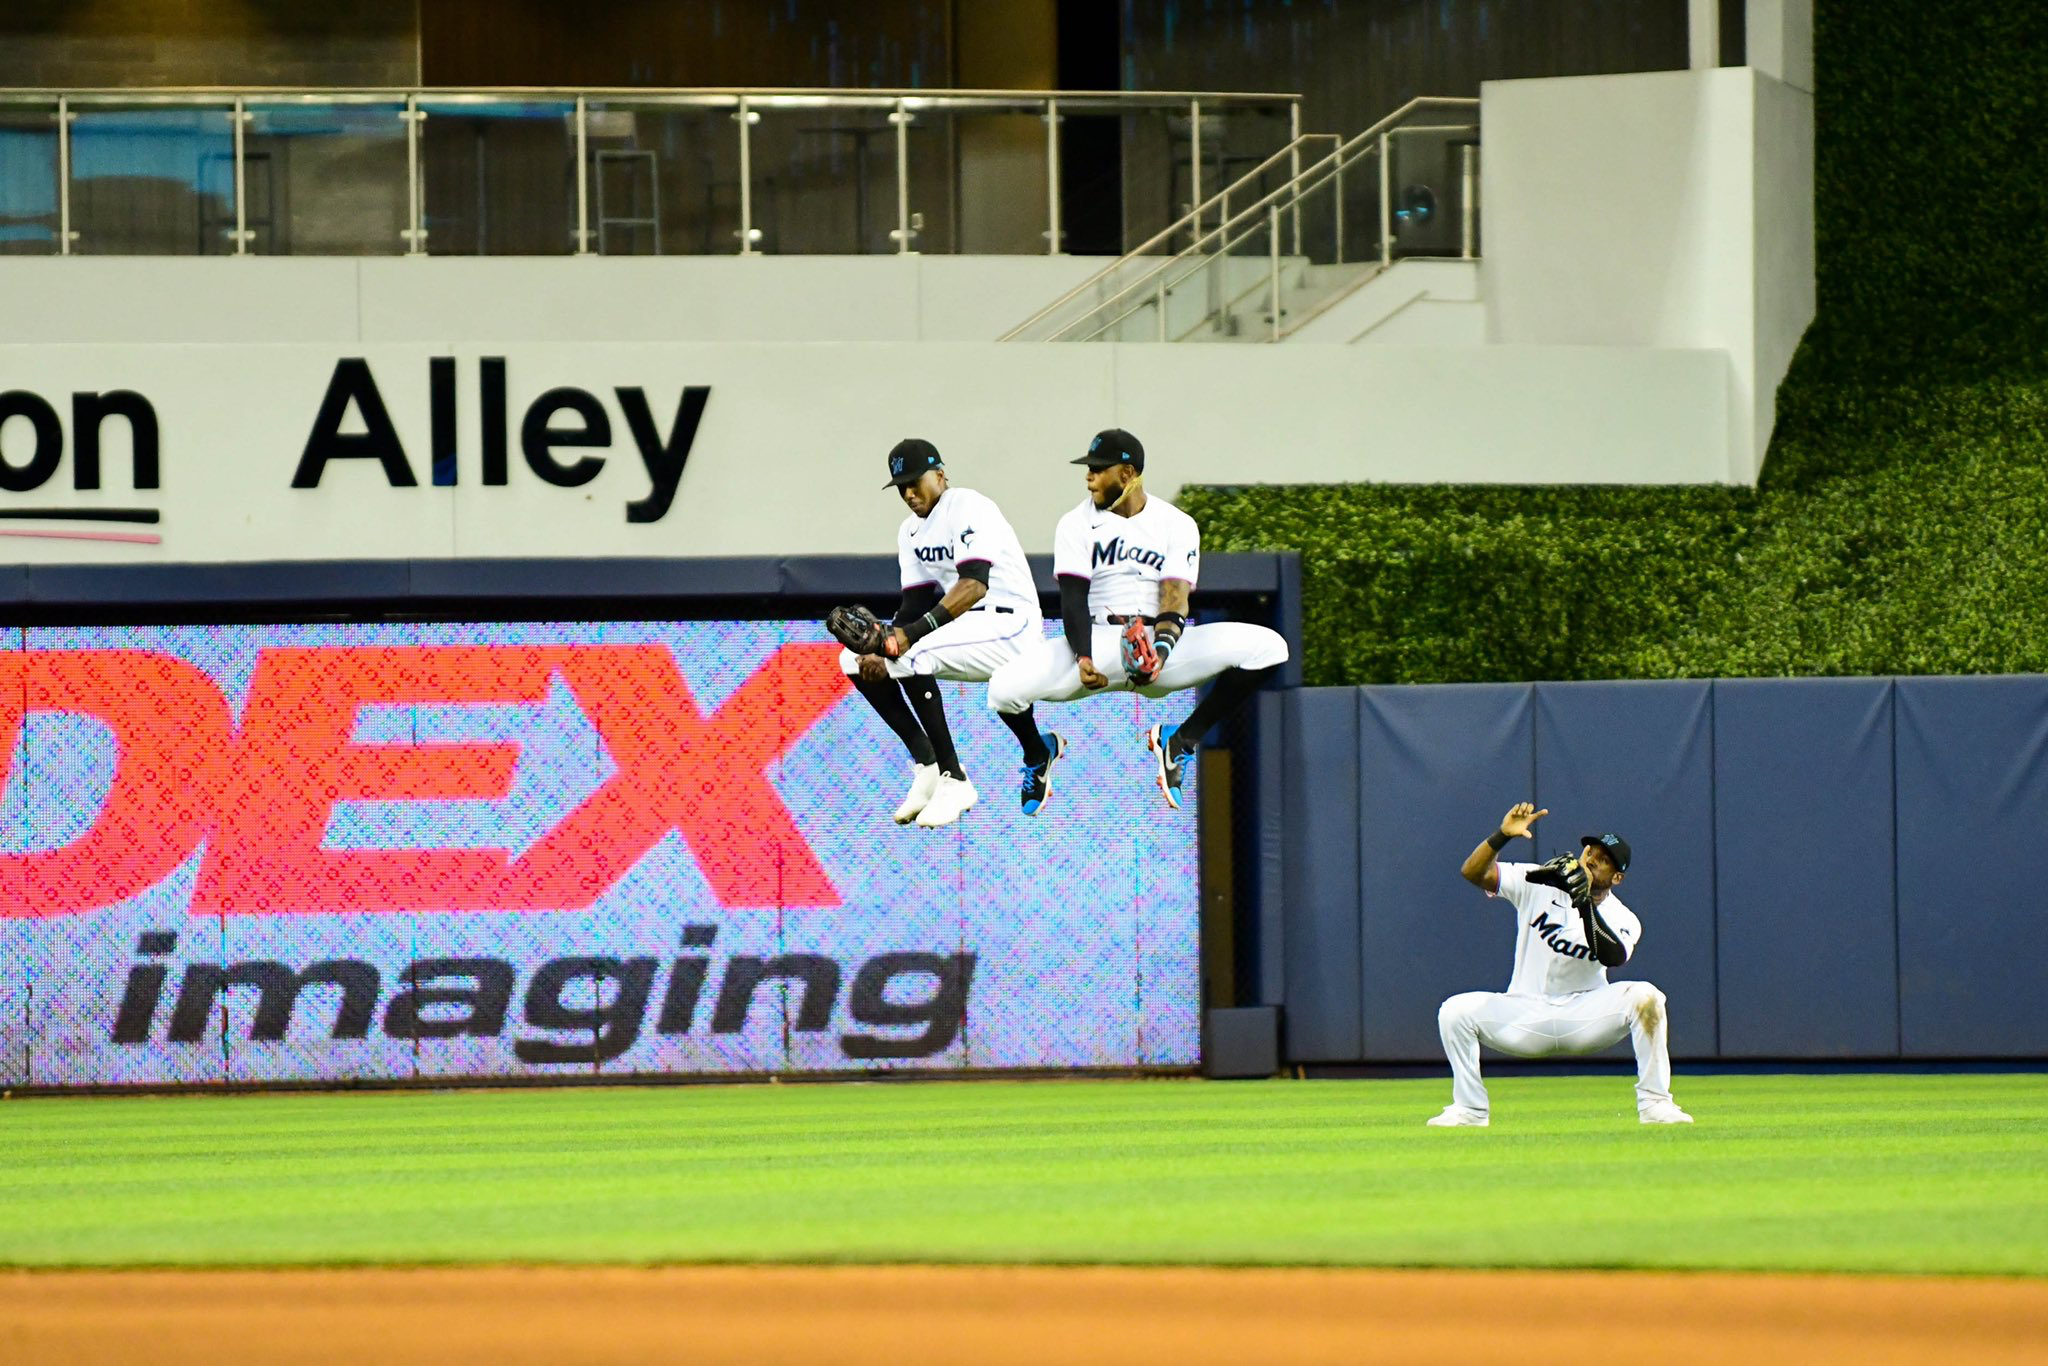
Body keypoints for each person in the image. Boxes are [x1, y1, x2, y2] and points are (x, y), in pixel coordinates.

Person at [987, 428, 1288, 810]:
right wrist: (1083, 657)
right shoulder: (1075, 523)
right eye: (1089, 469)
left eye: (1099, 469)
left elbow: (1175, 598)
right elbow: (1073, 600)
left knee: (1270, 649)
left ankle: (1180, 742)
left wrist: (1158, 653)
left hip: (1163, 648)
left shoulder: (1176, 523)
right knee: (1001, 690)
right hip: (1098, 640)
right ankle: (1036, 753)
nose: (1089, 477)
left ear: (1127, 474)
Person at [831, 439, 1061, 827]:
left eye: (914, 482)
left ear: (940, 474)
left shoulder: (969, 506)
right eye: (900, 486)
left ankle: (955, 780)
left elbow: (974, 584)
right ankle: (929, 765)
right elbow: (914, 603)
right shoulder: (910, 531)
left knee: (912, 654)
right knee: (851, 659)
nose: (908, 493)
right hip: (969, 626)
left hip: (1012, 622)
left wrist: (905, 640)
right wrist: (882, 646)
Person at [1429, 802, 1693, 1127]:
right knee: (1455, 1011)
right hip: (1524, 1012)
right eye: (1592, 851)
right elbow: (1473, 873)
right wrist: (1501, 836)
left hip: (1585, 1014)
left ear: (1618, 877)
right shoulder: (1538, 881)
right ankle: (1470, 1110)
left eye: (1605, 859)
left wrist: (1583, 904)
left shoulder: (1623, 917)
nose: (1593, 859)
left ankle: (1655, 1105)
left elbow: (1614, 956)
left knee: (1647, 998)